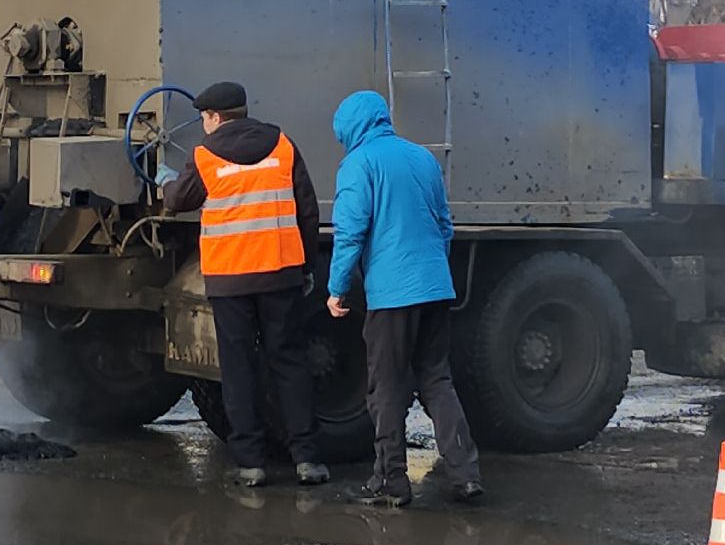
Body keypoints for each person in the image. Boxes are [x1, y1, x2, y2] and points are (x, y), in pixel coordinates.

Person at [163, 81, 328, 487]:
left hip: (229, 279)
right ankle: (306, 459)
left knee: (237, 369)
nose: (203, 125)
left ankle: (251, 464)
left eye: (204, 118)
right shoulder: (283, 146)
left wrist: (165, 178)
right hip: (280, 274)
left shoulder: (205, 156)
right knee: (289, 363)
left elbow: (176, 201)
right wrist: (305, 266)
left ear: (216, 118)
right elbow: (307, 210)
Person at [326, 90, 484, 507]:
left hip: (392, 294)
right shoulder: (422, 158)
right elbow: (444, 224)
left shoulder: (359, 164)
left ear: (351, 127)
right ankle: (466, 475)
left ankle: (391, 480)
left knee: (386, 386)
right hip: (434, 287)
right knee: (437, 380)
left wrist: (337, 287)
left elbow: (350, 232)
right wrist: (433, 273)